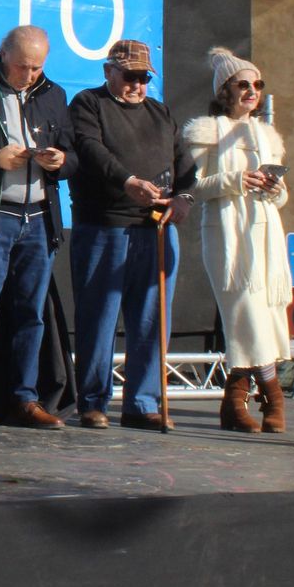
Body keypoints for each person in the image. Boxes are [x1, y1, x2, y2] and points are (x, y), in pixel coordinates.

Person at [68, 39, 195, 431]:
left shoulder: (160, 113)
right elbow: (90, 150)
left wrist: (184, 198)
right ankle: (92, 400)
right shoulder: (88, 104)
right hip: (105, 226)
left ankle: (143, 402)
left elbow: (185, 163)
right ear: (109, 72)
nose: (137, 85)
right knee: (99, 318)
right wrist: (127, 181)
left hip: (154, 228)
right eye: (130, 77)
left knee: (152, 320)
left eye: (144, 78)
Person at [0, 25, 77, 431]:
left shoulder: (54, 94)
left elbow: (76, 155)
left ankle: (25, 397)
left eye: (37, 67)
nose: (30, 75)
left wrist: (60, 161)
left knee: (32, 315)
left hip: (39, 218)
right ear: (2, 54)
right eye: (23, 66)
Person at [182, 46, 291, 434]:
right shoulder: (206, 132)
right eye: (243, 84)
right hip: (227, 234)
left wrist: (273, 187)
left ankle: (234, 401)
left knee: (266, 313)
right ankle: (273, 394)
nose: (252, 91)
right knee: (245, 312)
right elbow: (192, 186)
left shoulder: (268, 135)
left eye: (257, 85)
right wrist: (235, 180)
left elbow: (282, 198)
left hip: (264, 232)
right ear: (225, 90)